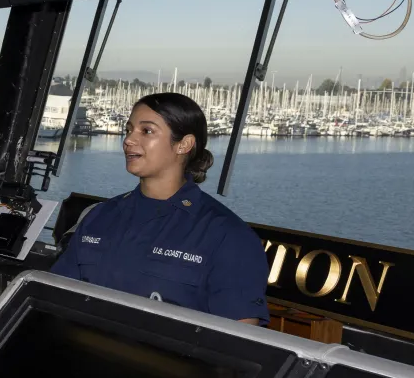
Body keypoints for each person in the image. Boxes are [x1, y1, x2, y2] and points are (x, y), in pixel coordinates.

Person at [50, 92, 269, 325]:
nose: (128, 140)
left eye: (146, 131)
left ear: (184, 144)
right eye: (128, 129)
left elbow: (240, 343)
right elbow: (55, 298)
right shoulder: (99, 216)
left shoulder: (228, 237)